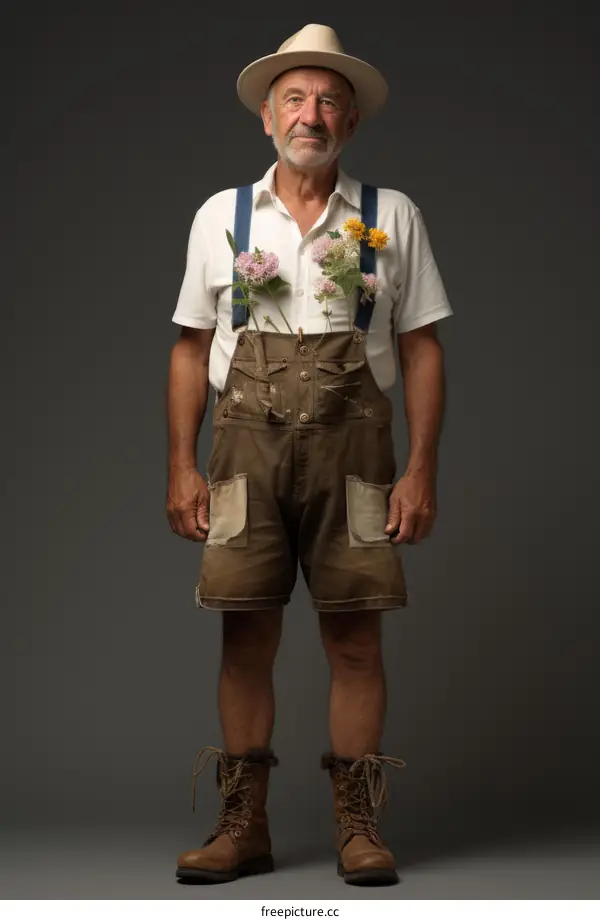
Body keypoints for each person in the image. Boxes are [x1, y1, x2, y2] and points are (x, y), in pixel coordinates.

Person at [166, 23, 453, 886]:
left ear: (351, 120)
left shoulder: (390, 215)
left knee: (356, 641)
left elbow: (423, 348)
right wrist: (181, 465)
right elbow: (188, 346)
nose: (311, 113)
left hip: (356, 458)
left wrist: (422, 469)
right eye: (294, 97)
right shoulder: (222, 215)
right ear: (266, 115)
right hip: (243, 454)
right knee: (245, 637)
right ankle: (242, 826)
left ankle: (358, 829)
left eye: (329, 100)